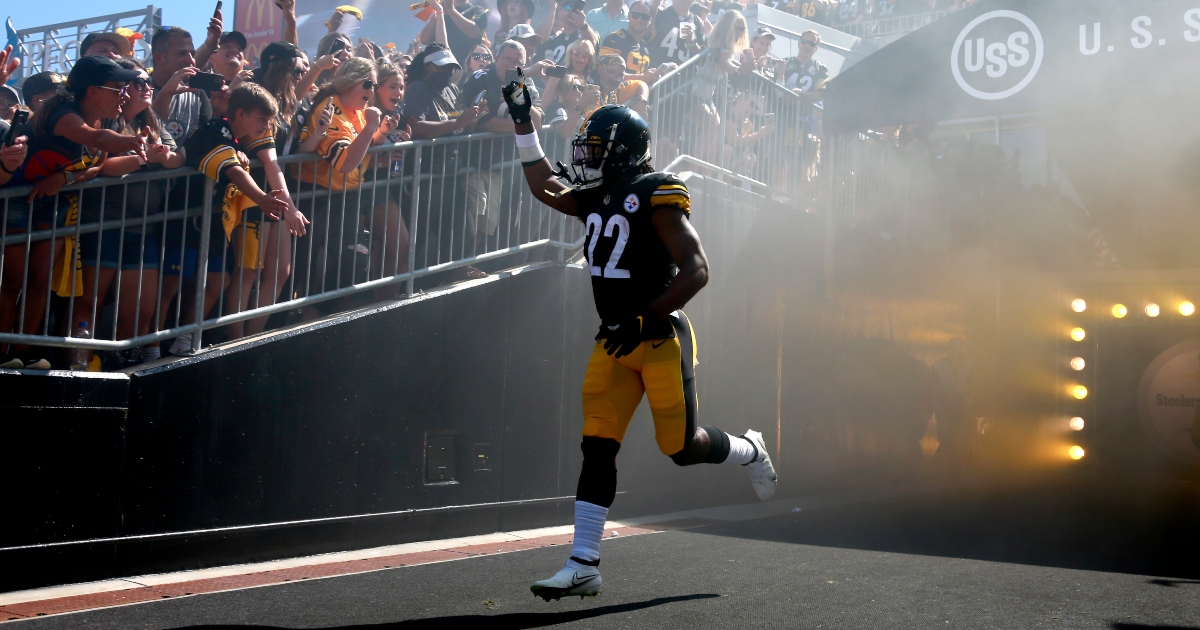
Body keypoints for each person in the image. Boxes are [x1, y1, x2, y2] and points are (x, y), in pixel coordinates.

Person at [499, 91, 778, 599]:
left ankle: (748, 449)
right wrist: (524, 125)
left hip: (658, 339)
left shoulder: (657, 190)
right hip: (613, 342)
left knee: (680, 448)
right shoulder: (596, 194)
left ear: (624, 150)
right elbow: (545, 187)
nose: (585, 158)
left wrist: (643, 314)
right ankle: (583, 563)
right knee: (597, 447)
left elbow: (697, 270)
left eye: (596, 149)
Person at [2, 56, 146, 370]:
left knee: (39, 279)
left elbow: (95, 167)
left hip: (55, 200)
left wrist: (62, 178)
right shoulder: (62, 112)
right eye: (119, 88)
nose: (126, 93)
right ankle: (2, 353)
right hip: (16, 197)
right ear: (93, 91)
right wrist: (134, 142)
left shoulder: (107, 118)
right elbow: (94, 140)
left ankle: (26, 353)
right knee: (13, 280)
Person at [71, 58, 185, 369]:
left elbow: (176, 159)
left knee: (141, 308)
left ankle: (120, 363)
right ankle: (79, 366)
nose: (147, 87)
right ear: (123, 89)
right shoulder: (106, 119)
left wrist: (167, 154)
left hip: (141, 228)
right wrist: (144, 158)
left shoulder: (152, 121)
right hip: (103, 224)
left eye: (148, 82)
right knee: (89, 303)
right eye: (138, 83)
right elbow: (102, 167)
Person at [185, 82, 290, 332]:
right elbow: (235, 173)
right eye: (263, 120)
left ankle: (185, 339)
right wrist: (263, 199)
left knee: (218, 281)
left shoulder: (234, 137)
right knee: (172, 286)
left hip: (212, 222)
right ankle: (162, 346)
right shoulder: (217, 129)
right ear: (241, 114)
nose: (267, 127)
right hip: (188, 220)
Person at [296, 58, 396, 314]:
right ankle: (289, 321)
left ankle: (319, 312)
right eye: (367, 83)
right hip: (314, 195)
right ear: (349, 81)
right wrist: (373, 127)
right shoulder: (330, 108)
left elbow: (361, 147)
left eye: (374, 85)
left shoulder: (359, 111)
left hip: (346, 196)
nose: (371, 90)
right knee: (299, 269)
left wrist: (380, 132)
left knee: (356, 258)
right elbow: (344, 162)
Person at [461, 40, 544, 254]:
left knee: (488, 221)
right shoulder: (481, 79)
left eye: (518, 62)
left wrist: (522, 101)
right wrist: (519, 126)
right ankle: (459, 266)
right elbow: (482, 121)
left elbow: (538, 124)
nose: (511, 65)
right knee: (474, 216)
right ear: (497, 58)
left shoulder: (526, 83)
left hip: (500, 164)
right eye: (507, 59)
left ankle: (467, 264)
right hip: (473, 160)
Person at [600, 1, 677, 84]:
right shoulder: (614, 39)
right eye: (635, 15)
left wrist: (662, 72)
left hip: (640, 95)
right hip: (616, 95)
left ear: (650, 19)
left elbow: (648, 76)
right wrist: (643, 77)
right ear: (629, 16)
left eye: (645, 17)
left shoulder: (645, 46)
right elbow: (605, 73)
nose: (639, 20)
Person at [418, 0, 490, 68]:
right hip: (443, 67)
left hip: (466, 69)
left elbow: (474, 32)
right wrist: (439, 11)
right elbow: (424, 40)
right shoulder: (442, 12)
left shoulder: (476, 10)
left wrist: (451, 9)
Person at [538, 0, 599, 68]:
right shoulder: (554, 39)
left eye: (576, 7)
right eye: (568, 7)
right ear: (559, 11)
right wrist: (553, 8)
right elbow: (542, 41)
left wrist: (582, 25)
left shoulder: (586, 33)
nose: (572, 11)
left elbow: (593, 43)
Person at [649, 0, 707, 65]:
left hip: (685, 74)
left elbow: (703, 60)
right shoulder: (659, 14)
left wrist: (692, 43)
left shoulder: (698, 23)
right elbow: (644, 37)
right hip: (659, 72)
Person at [543, 39, 596, 107]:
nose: (580, 56)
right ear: (571, 55)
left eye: (585, 55)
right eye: (576, 53)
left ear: (590, 59)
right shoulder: (558, 74)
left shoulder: (592, 82)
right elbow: (544, 104)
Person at [781, 30, 828, 95]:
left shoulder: (821, 69)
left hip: (805, 105)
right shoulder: (783, 62)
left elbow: (821, 94)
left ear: (816, 49)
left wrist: (802, 93)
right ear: (799, 44)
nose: (807, 46)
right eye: (804, 42)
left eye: (812, 44)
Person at [708, 10, 753, 77]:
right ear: (726, 27)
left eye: (741, 29)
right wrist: (739, 70)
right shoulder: (720, 43)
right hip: (699, 84)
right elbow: (726, 62)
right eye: (735, 28)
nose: (738, 32)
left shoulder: (731, 47)